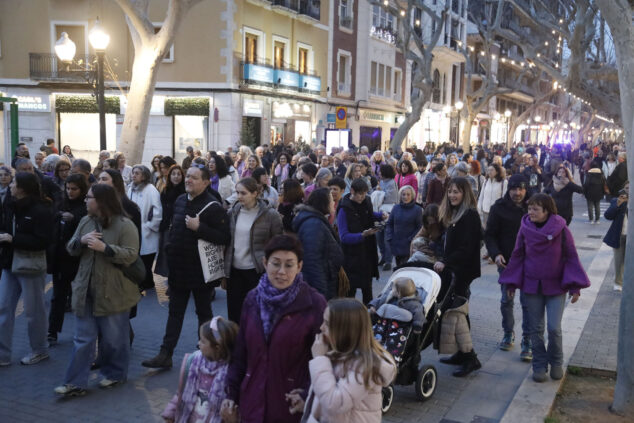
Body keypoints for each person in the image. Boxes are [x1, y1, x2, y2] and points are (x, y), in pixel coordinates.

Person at [221, 235, 327, 423]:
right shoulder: (252, 300)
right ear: (265, 263)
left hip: (291, 406)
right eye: (275, 264)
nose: (281, 272)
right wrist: (230, 394)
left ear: (299, 266)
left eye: (289, 265)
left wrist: (307, 394)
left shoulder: (314, 304)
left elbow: (325, 358)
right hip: (252, 402)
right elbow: (240, 355)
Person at [54, 184, 140, 396]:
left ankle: (115, 374)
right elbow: (71, 249)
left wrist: (106, 249)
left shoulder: (124, 225)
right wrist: (80, 241)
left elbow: (131, 255)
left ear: (101, 201)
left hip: (114, 292)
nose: (85, 200)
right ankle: (75, 383)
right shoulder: (85, 221)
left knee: (114, 341)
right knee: (83, 340)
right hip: (86, 291)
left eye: (89, 197)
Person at [142, 164, 231, 370]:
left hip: (200, 272)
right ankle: (165, 354)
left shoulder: (213, 206)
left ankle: (206, 355)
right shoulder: (181, 200)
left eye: (194, 177)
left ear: (206, 182)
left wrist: (200, 228)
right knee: (175, 313)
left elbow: (224, 237)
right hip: (179, 268)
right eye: (188, 176)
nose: (188, 180)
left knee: (204, 314)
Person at [499, 194, 590, 382]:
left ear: (546, 211)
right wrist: (511, 283)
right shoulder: (524, 229)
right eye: (529, 208)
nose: (530, 212)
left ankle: (556, 361)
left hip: (556, 287)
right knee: (535, 329)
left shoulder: (562, 229)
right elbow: (517, 256)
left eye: (535, 209)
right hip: (531, 286)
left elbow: (571, 257)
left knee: (554, 328)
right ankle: (539, 364)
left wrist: (575, 287)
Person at [301, 298, 396, 423]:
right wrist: (307, 403)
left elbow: (335, 403)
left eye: (327, 323)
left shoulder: (365, 365)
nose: (321, 327)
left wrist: (319, 359)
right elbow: (326, 391)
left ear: (345, 331)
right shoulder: (337, 353)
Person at [0, 172, 53, 367]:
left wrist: (13, 239)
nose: (10, 185)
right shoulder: (10, 204)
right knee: (3, 308)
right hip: (9, 264)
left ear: (22, 187)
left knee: (34, 311)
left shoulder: (40, 210)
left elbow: (43, 240)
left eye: (14, 182)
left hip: (30, 265)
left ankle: (39, 350)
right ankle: (2, 354)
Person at [434, 177, 483, 377]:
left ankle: (470, 358)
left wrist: (447, 261)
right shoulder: (453, 213)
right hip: (454, 271)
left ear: (465, 194)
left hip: (462, 271)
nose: (453, 195)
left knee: (458, 313)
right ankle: (462, 353)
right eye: (450, 191)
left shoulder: (469, 215)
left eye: (457, 191)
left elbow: (467, 247)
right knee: (457, 312)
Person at [485, 174, 532, 361]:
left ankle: (527, 339)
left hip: (530, 263)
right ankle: (508, 332)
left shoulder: (535, 206)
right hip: (507, 262)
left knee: (528, 303)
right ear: (508, 189)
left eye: (521, 189)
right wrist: (495, 253)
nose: (517, 193)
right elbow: (489, 235)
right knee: (507, 299)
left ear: (526, 189)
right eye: (514, 189)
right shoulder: (498, 208)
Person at [225, 177, 283, 322]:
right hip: (234, 271)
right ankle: (236, 344)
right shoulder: (233, 212)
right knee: (234, 315)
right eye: (237, 193)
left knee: (255, 314)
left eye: (243, 193)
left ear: (255, 193)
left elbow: (279, 244)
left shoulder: (271, 215)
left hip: (256, 271)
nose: (239, 197)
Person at [162, 316, 238, 423]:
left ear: (217, 347)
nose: (198, 343)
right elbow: (181, 393)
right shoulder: (193, 362)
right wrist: (170, 414)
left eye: (203, 341)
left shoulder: (232, 374)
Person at [47, 174, 88, 345]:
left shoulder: (86, 206)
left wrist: (75, 219)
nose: (70, 192)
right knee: (58, 296)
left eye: (74, 189)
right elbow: (51, 221)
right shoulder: (60, 203)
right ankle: (52, 331)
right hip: (60, 258)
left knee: (83, 297)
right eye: (68, 188)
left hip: (79, 259)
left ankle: (86, 332)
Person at [338, 179, 387, 304]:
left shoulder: (366, 201)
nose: (362, 197)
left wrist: (380, 215)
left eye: (364, 194)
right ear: (352, 191)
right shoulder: (344, 208)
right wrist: (362, 235)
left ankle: (367, 317)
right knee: (350, 290)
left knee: (367, 289)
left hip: (367, 253)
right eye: (360, 194)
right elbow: (343, 236)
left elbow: (369, 214)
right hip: (351, 256)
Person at [293, 188, 343, 300]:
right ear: (323, 203)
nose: (333, 203)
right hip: (321, 285)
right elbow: (312, 261)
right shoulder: (313, 225)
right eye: (331, 200)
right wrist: (320, 295)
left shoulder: (317, 220)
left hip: (327, 278)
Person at [127, 165, 163, 291]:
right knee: (138, 259)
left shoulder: (151, 189)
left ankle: (145, 282)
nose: (134, 175)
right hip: (133, 229)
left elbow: (157, 211)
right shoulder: (130, 188)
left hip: (147, 232)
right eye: (133, 172)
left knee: (146, 260)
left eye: (137, 173)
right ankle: (146, 282)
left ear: (144, 176)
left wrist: (149, 226)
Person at [155, 164, 185, 278]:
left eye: (178, 174)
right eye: (173, 174)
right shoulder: (165, 190)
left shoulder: (185, 191)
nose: (176, 177)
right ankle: (170, 277)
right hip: (166, 225)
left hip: (179, 227)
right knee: (166, 253)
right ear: (169, 176)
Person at [386, 185, 423, 266]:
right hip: (396, 244)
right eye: (403, 194)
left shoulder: (417, 209)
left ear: (412, 195)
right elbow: (389, 223)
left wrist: (410, 239)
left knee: (406, 269)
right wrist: (390, 237)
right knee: (398, 268)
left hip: (409, 245)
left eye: (408, 194)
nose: (405, 197)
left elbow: (419, 227)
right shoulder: (396, 208)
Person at [603, 185, 628, 292]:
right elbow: (608, 215)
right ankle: (618, 282)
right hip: (620, 235)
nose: (628, 190)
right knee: (619, 260)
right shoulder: (617, 201)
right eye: (626, 187)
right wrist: (618, 204)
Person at [377, 164, 398, 270]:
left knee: (386, 238)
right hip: (380, 212)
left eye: (381, 171)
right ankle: (383, 257)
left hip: (388, 213)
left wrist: (379, 194)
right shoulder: (381, 182)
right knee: (379, 237)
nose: (379, 173)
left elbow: (391, 197)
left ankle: (388, 260)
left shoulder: (391, 183)